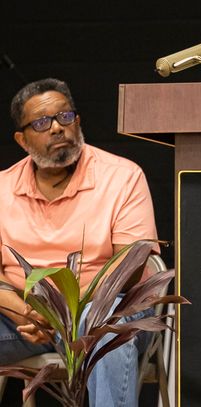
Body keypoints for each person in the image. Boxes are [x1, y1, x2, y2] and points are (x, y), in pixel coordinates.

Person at [0, 78, 158, 407]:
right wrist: (24, 313)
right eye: (42, 123)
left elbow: (129, 266)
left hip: (99, 312)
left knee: (104, 324)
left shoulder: (123, 177)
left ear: (78, 121)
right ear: (21, 138)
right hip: (24, 325)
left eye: (65, 117)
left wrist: (62, 313)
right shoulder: (3, 188)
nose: (57, 128)